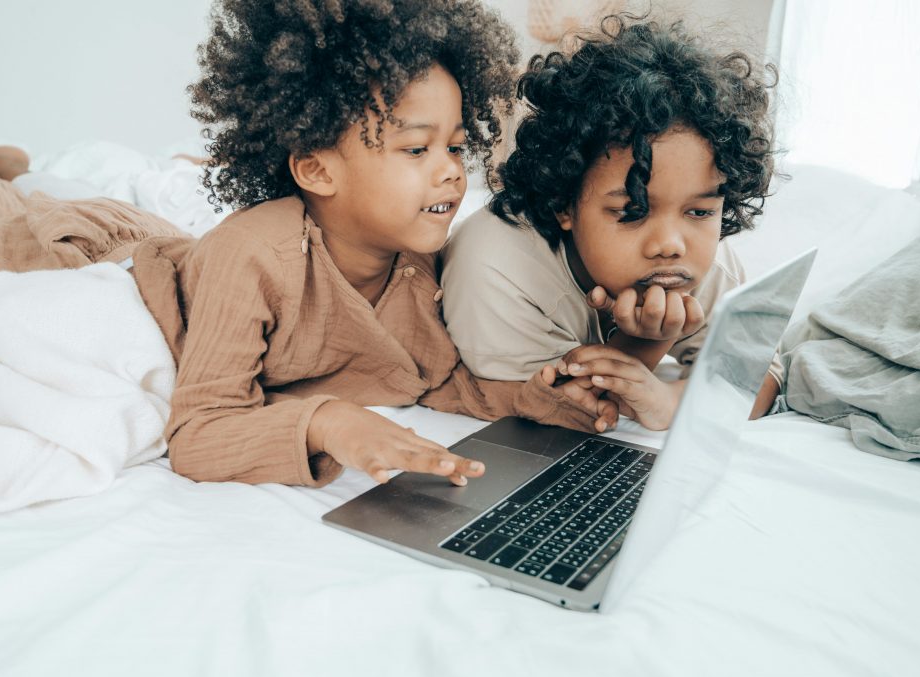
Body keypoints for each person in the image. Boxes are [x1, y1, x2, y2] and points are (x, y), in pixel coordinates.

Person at [121, 0, 621, 488]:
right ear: (317, 169)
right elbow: (199, 433)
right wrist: (330, 423)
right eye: (417, 149)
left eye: (455, 147)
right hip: (135, 274)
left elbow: (431, 380)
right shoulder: (251, 257)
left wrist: (524, 400)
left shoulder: (419, 264)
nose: (450, 170)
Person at [440, 14, 780, 431]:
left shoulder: (697, 261)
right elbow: (557, 412)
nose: (670, 244)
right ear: (563, 203)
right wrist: (648, 341)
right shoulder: (494, 268)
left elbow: (762, 375)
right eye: (633, 211)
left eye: (700, 211)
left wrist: (672, 402)